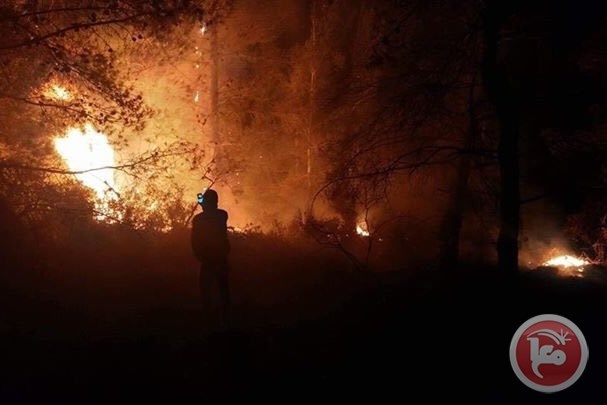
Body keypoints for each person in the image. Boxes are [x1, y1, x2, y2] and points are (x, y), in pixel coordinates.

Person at [191, 189, 231, 326]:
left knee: (205, 289)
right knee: (223, 288)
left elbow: (194, 240)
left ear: (205, 203)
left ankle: (208, 319)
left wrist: (200, 196)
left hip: (206, 258)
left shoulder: (198, 219)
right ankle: (226, 318)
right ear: (216, 202)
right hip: (220, 256)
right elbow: (207, 206)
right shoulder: (222, 215)